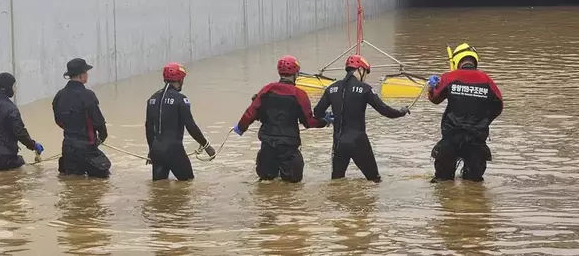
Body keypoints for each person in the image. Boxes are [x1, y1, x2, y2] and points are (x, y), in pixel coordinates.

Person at [313, 55, 410, 182]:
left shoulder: (331, 88)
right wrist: (402, 111)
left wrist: (327, 118)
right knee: (375, 181)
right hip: (358, 142)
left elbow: (317, 112)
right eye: (366, 72)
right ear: (360, 70)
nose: (365, 77)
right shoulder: (365, 89)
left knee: (336, 184)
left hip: (338, 143)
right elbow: (385, 111)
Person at [232, 55, 327, 183]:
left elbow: (251, 112)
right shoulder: (299, 94)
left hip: (267, 148)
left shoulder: (267, 89)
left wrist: (241, 127)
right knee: (292, 187)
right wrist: (324, 121)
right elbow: (309, 122)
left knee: (266, 184)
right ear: (296, 74)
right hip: (289, 149)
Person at [427, 43, 503, 182]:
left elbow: (435, 99)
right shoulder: (486, 80)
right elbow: (499, 105)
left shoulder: (449, 77)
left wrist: (431, 87)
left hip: (451, 137)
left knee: (442, 181)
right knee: (474, 183)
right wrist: (485, 120)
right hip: (476, 138)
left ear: (457, 61)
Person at [145, 63, 216, 181]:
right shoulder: (181, 99)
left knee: (159, 191)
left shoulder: (152, 99)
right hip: (174, 151)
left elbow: (148, 128)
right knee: (187, 185)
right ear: (180, 79)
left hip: (156, 151)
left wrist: (151, 150)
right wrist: (206, 145)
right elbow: (191, 126)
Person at [52, 58, 111, 178]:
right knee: (103, 180)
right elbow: (98, 121)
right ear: (81, 75)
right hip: (87, 149)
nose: (87, 75)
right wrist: (101, 137)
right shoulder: (88, 95)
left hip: (68, 148)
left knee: (72, 185)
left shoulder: (59, 95)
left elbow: (58, 121)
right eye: (86, 72)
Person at [0, 72, 44, 171]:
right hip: (7, 161)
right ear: (10, 87)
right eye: (15, 86)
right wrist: (33, 145)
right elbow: (19, 132)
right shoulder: (11, 108)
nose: (15, 90)